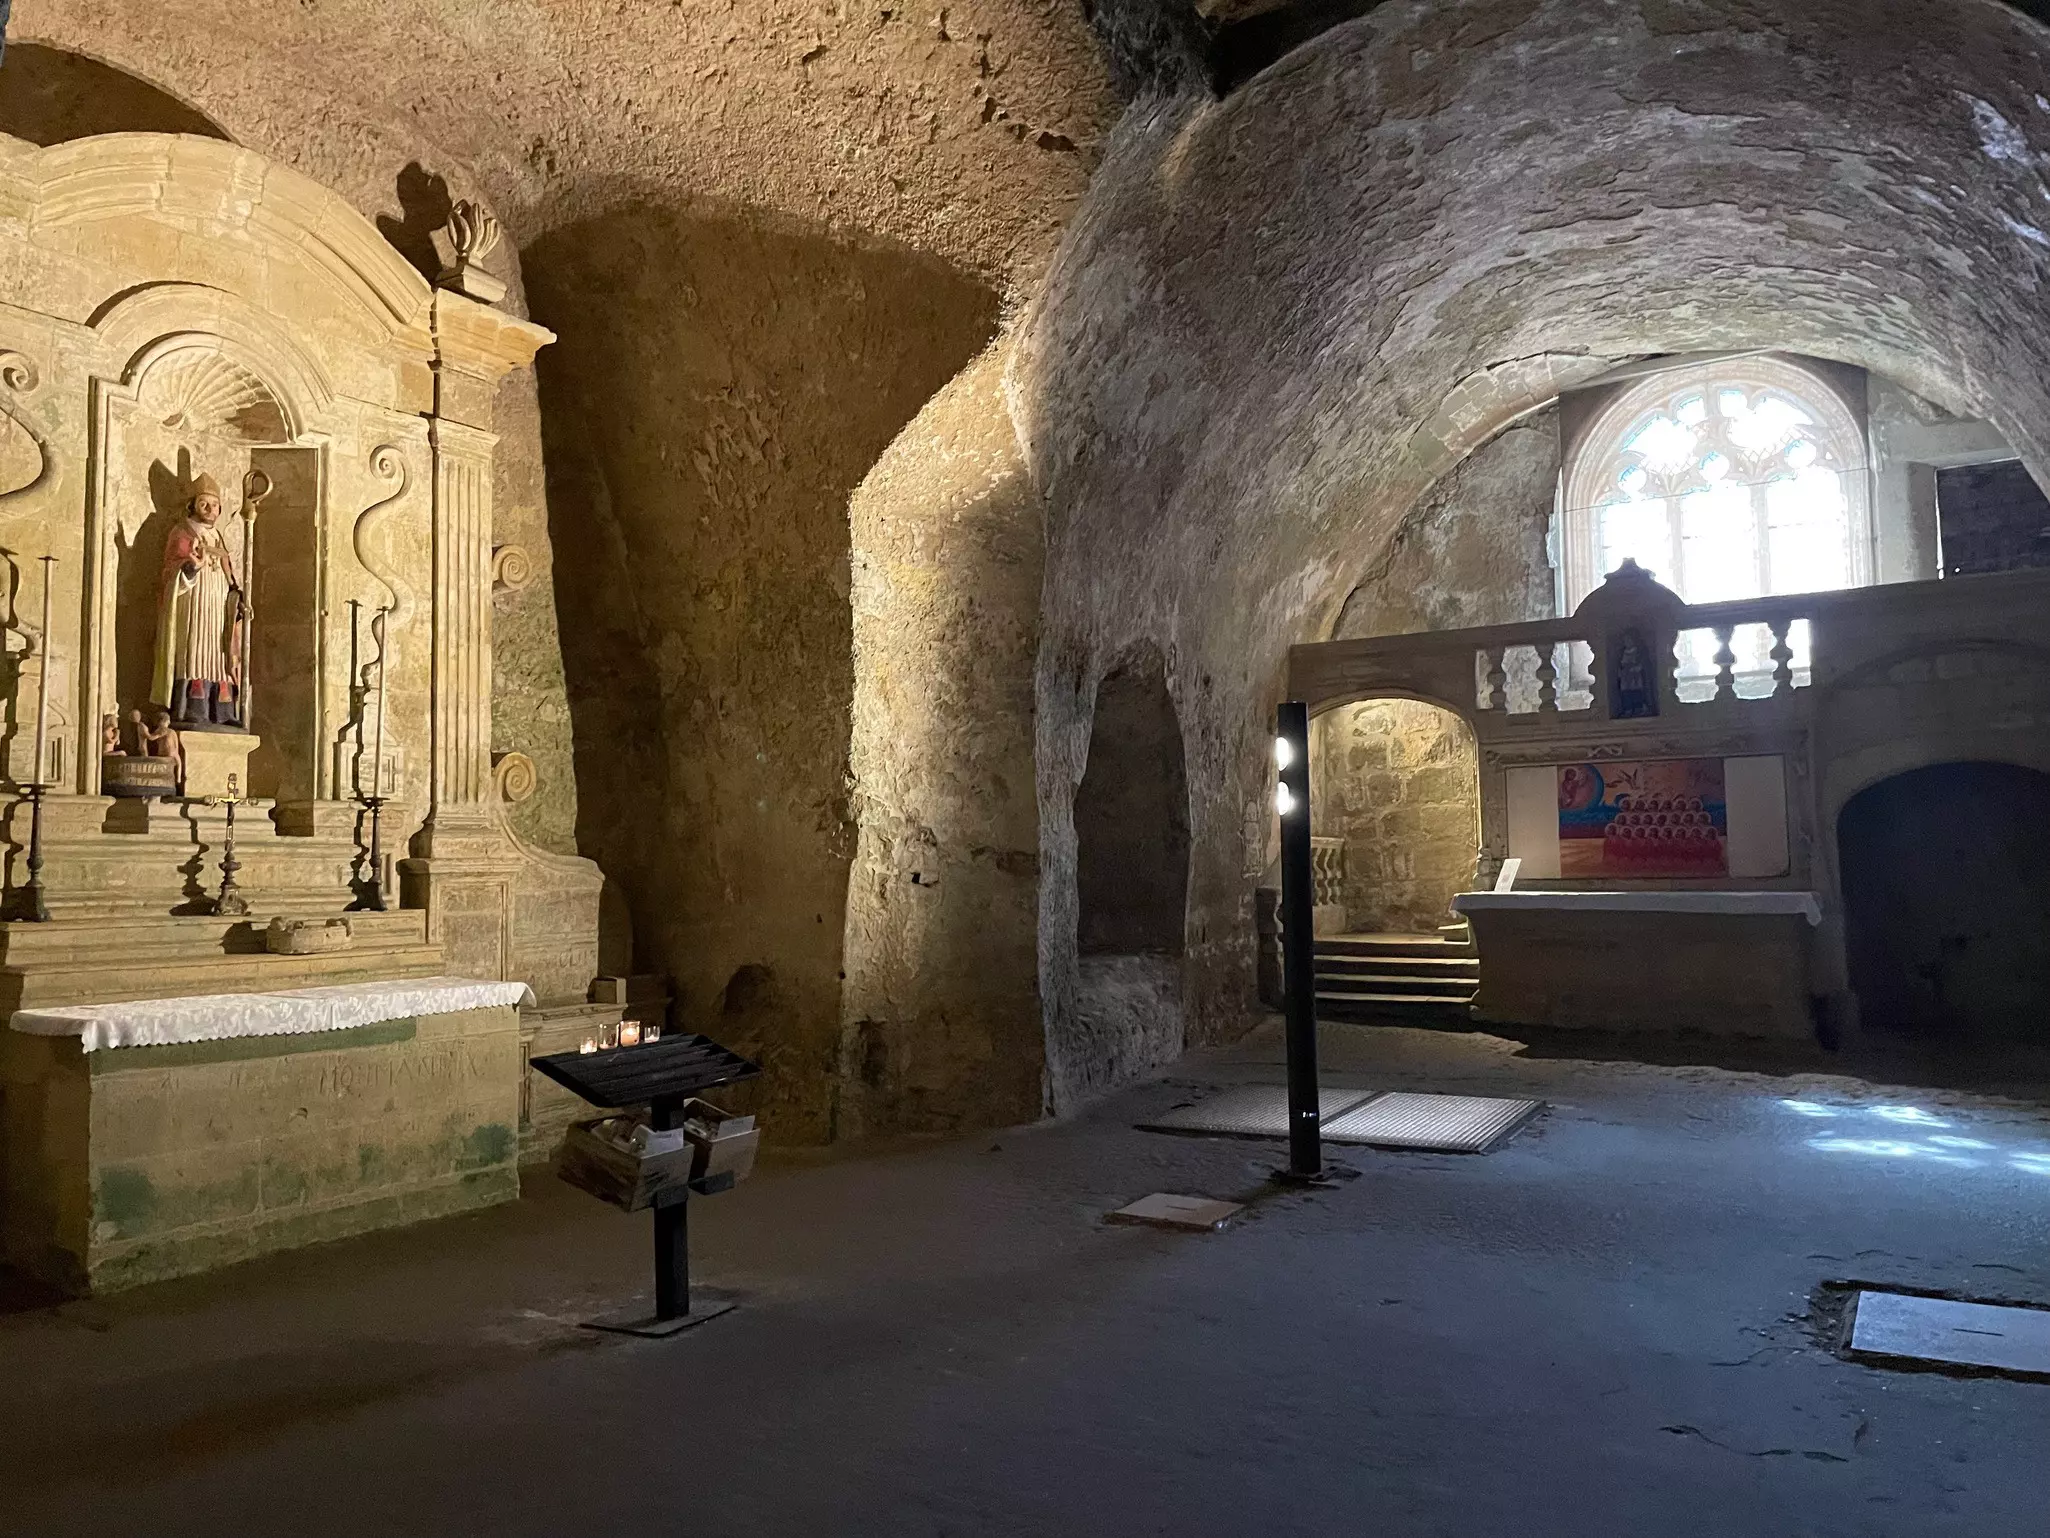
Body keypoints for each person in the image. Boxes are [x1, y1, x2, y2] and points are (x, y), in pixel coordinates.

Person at [151, 472, 249, 731]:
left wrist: (237, 599)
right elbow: (170, 573)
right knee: (195, 653)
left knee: (221, 657)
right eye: (204, 503)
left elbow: (229, 576)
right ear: (192, 505)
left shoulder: (218, 537)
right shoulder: (181, 533)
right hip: (192, 605)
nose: (210, 509)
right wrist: (191, 568)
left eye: (215, 504)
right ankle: (194, 707)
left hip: (217, 608)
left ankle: (224, 710)